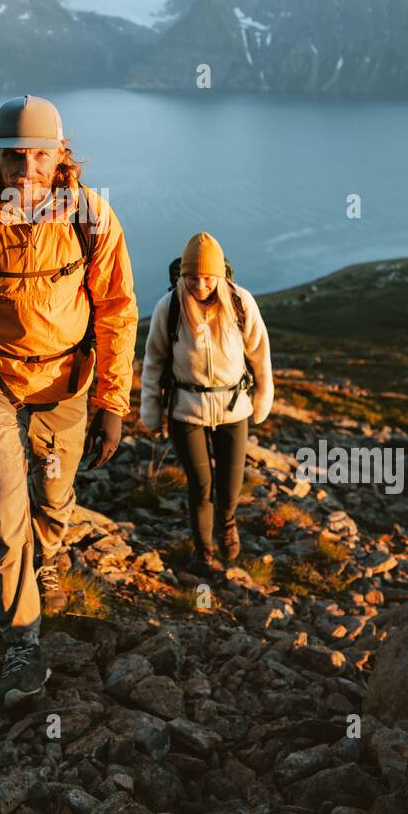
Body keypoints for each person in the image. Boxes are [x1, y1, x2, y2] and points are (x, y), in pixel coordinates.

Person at [0, 95, 138, 707]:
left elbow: (117, 311)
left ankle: (53, 556)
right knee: (2, 508)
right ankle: (21, 643)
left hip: (67, 382)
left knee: (55, 494)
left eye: (40, 154)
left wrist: (111, 404)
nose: (27, 168)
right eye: (15, 155)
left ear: (61, 154)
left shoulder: (91, 217)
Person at [139, 232, 274, 577]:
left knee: (230, 486)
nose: (200, 284)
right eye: (193, 277)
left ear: (221, 275)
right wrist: (151, 408)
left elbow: (260, 355)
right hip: (187, 410)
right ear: (183, 275)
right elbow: (153, 361)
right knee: (201, 486)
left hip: (233, 409)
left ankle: (227, 523)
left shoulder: (241, 302)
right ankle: (204, 554)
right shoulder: (168, 308)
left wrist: (262, 396)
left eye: (207, 277)